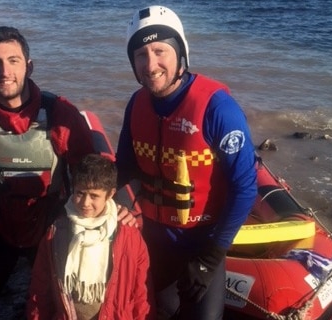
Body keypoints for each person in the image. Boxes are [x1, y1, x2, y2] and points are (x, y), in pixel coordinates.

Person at [0, 26, 135, 320]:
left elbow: (93, 173)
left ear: (29, 66)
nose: (4, 71)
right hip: (2, 223)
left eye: (13, 60)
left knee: (59, 303)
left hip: (51, 226)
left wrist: (120, 209)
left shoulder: (60, 115)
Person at [116, 6, 258, 320]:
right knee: (159, 311)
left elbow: (245, 188)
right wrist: (122, 202)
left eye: (159, 51)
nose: (150, 65)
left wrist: (212, 255)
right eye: (140, 54)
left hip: (204, 243)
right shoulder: (136, 104)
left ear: (180, 53)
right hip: (155, 238)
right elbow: (125, 168)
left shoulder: (218, 108)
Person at [26, 154, 155, 319]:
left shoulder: (129, 235)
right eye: (80, 193)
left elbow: (141, 294)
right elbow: (40, 290)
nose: (85, 203)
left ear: (110, 195)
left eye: (94, 196)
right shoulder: (55, 233)